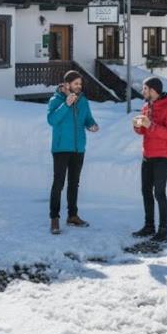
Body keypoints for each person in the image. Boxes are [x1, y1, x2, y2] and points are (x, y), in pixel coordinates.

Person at [46, 70, 99, 234]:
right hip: (61, 148)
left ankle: (72, 216)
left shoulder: (83, 101)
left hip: (78, 148)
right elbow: (52, 120)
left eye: (80, 84)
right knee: (58, 183)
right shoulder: (56, 100)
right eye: (76, 83)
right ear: (67, 84)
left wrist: (92, 125)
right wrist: (66, 105)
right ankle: (54, 218)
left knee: (74, 183)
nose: (79, 86)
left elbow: (87, 118)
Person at [131, 76, 167, 243]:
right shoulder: (146, 107)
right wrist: (137, 126)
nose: (143, 91)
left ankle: (163, 231)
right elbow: (143, 132)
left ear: (153, 90)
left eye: (145, 88)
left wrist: (150, 125)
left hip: (163, 157)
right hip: (147, 156)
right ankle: (149, 226)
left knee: (159, 193)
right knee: (146, 191)